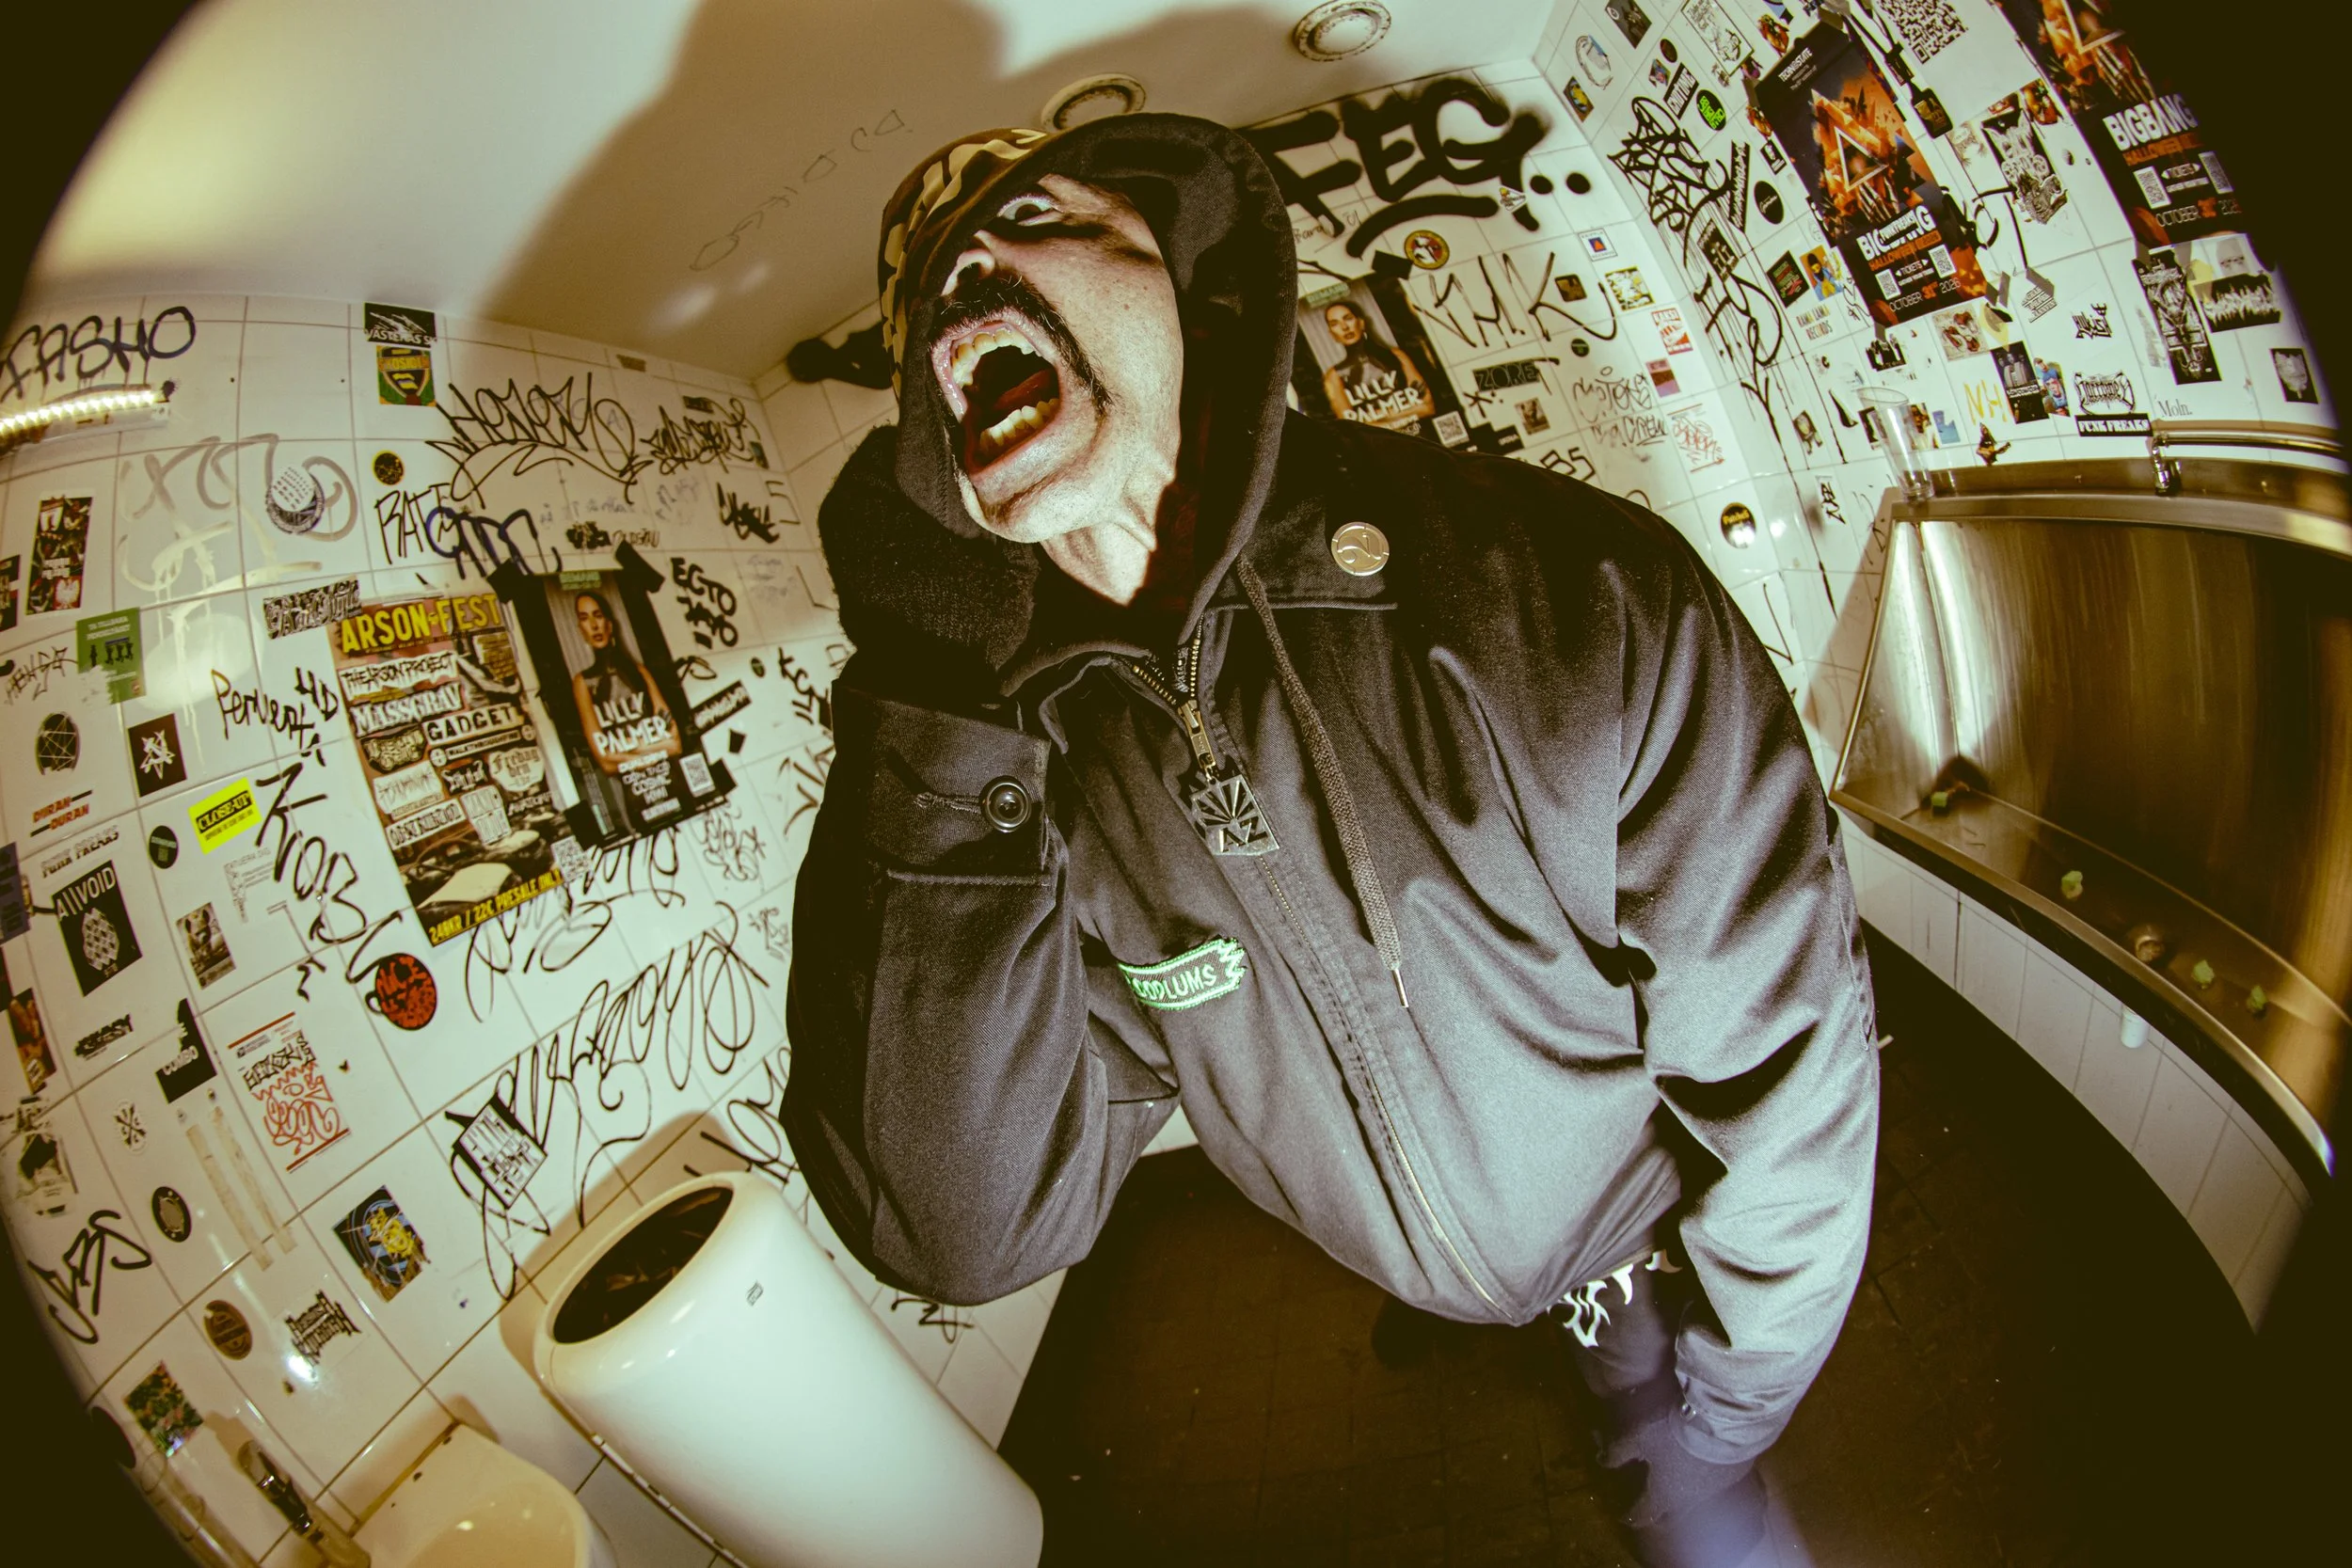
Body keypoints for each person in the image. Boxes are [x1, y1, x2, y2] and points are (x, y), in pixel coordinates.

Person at [785, 113, 1878, 1568]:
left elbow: (1791, 1079)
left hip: (1643, 1253)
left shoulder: (1570, 592)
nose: (968, 277)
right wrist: (926, 710)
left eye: (1036, 217)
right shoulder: (1019, 768)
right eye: (929, 288)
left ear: (1181, 277)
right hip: (1424, 1254)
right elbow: (956, 1229)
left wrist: (1725, 1412)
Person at [566, 590, 678, 773]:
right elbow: (604, 761)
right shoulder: (583, 683)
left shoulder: (639, 671)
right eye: (585, 618)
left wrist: (623, 752)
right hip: (631, 785)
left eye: (598, 615)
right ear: (581, 630)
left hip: (669, 777)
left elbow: (675, 743)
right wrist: (655, 749)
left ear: (609, 625)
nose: (594, 625)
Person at [1317, 298, 1438, 431]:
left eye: (1348, 318)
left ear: (1361, 323)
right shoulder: (1334, 376)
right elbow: (1352, 429)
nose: (1344, 327)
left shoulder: (1397, 356)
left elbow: (1428, 407)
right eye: (1334, 324)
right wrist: (1406, 411)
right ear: (1331, 334)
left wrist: (1375, 417)